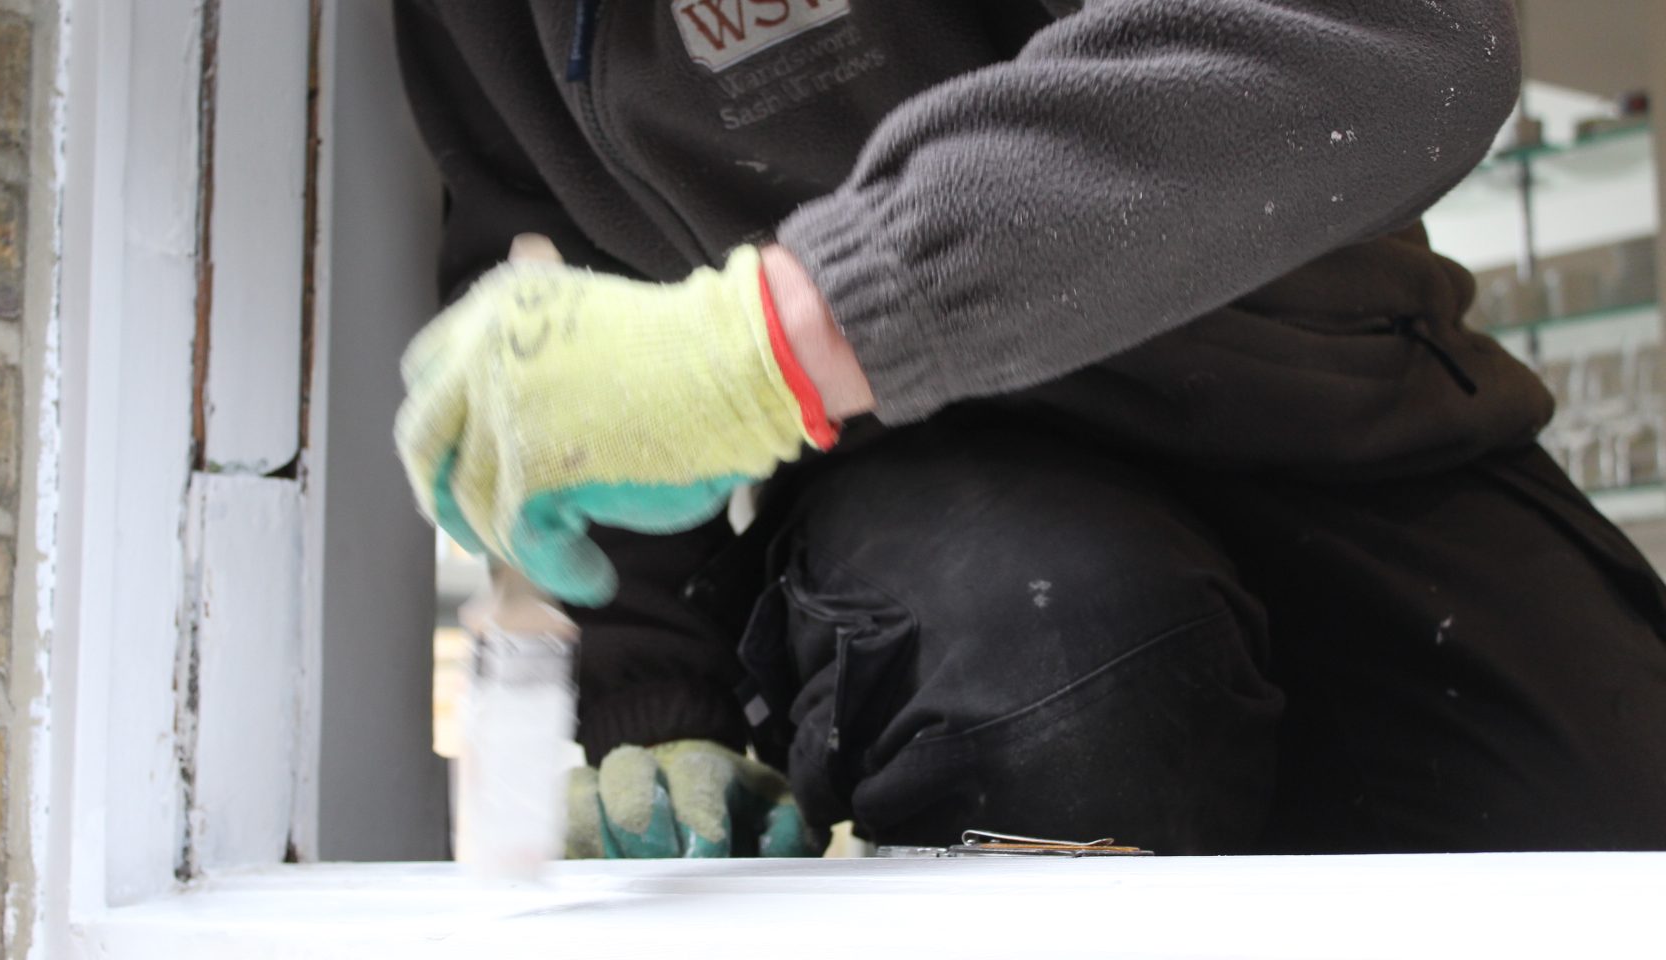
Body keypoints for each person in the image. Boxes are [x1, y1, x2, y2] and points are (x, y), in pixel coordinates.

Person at [392, 0, 1666, 858]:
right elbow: (563, 297)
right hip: (948, 494)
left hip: (1332, 412)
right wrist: (653, 695)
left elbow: (1401, 35)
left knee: (1605, 826)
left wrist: (787, 333)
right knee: (1061, 673)